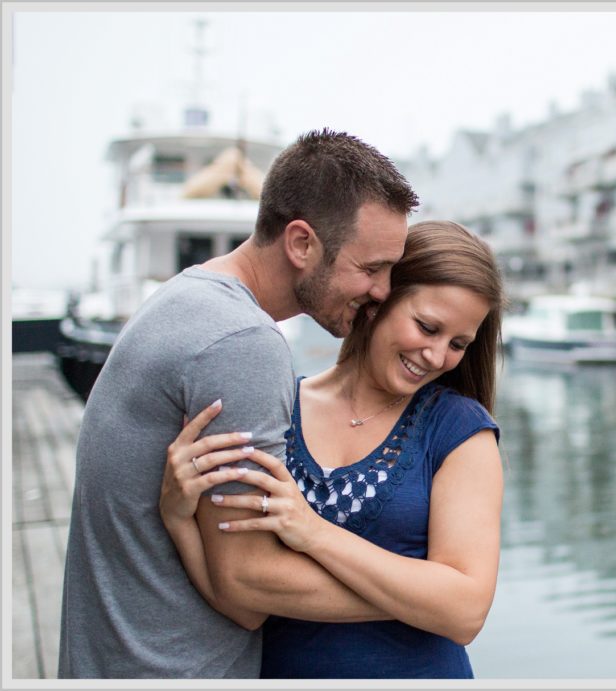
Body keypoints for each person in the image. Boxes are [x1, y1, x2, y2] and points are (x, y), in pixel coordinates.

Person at [58, 128, 419, 678]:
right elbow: (248, 584)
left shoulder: (186, 297)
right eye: (371, 268)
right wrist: (426, 599)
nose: (381, 290)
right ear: (301, 243)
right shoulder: (242, 344)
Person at [160, 220, 506, 678]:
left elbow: (464, 613)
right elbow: (244, 604)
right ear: (377, 300)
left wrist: (315, 533)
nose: (437, 356)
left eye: (458, 344)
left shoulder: (460, 431)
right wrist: (177, 518)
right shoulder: (279, 410)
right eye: (427, 327)